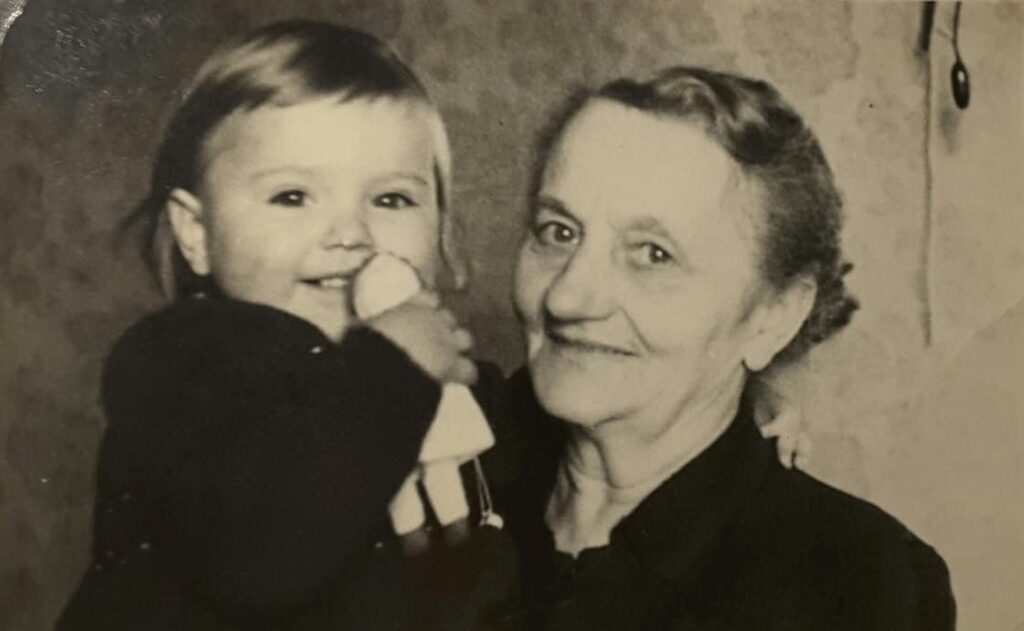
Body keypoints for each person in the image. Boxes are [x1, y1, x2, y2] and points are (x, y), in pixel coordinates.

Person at [57, 20, 514, 630]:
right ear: (197, 236)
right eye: (293, 196)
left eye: (391, 200)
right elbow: (261, 557)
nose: (350, 234)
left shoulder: (436, 376)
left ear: (442, 229)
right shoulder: (181, 364)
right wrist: (398, 364)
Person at [485, 66, 956, 630]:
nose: (566, 297)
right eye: (558, 231)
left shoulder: (857, 584)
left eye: (653, 254)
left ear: (772, 318)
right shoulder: (434, 467)